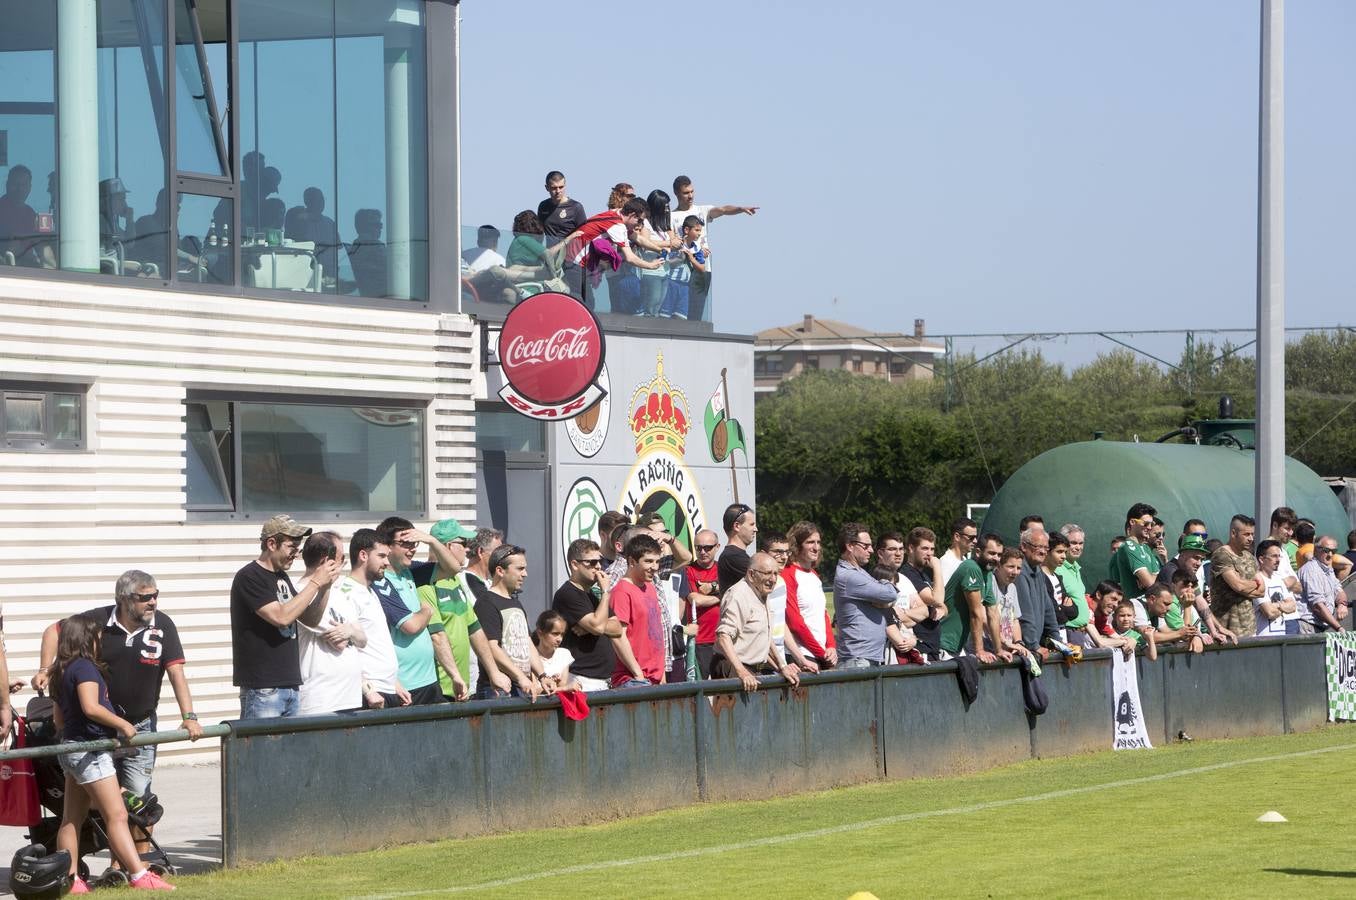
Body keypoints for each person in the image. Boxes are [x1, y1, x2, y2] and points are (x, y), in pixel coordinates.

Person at [33, 570, 203, 864]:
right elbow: (53, 631)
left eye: (155, 595)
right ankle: (122, 869)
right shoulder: (96, 621)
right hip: (98, 730)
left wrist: (189, 716)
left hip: (141, 726)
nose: (153, 602)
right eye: (144, 597)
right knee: (109, 806)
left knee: (139, 800)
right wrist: (44, 669)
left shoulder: (163, 625)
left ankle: (137, 866)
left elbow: (176, 673)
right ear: (123, 599)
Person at [51, 614, 175, 892]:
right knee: (117, 815)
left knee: (71, 818)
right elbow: (91, 707)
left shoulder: (60, 671)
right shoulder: (84, 667)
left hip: (71, 749)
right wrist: (122, 724)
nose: (101, 642)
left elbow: (58, 721)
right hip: (91, 751)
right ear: (86, 639)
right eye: (97, 637)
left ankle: (71, 880)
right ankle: (139, 875)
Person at [231, 515, 340, 718]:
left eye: (298, 548)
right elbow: (281, 617)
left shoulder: (282, 577)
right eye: (291, 547)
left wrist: (325, 587)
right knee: (263, 740)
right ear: (272, 544)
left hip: (290, 685)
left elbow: (310, 619)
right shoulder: (249, 576)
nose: (296, 554)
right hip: (264, 687)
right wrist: (315, 582)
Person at [372, 517, 465, 705]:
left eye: (414, 543)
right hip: (404, 685)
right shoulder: (380, 580)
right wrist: (427, 611)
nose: (412, 549)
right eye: (406, 544)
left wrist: (431, 541)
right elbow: (411, 626)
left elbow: (453, 568)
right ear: (387, 547)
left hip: (429, 680)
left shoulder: (410, 571)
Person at [416, 519, 508, 702]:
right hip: (440, 689)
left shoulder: (455, 580)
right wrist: (455, 676)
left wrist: (493, 672)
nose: (467, 549)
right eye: (463, 543)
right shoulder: (425, 584)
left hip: (464, 687)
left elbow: (474, 628)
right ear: (448, 546)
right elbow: (436, 636)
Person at [292, 532, 366, 714]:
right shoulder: (299, 593)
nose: (343, 565)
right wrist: (351, 632)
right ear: (327, 561)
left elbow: (363, 639)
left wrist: (350, 631)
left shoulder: (339, 594)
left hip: (350, 696)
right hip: (321, 699)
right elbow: (340, 643)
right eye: (342, 559)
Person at [668, 175, 758, 322]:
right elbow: (671, 243)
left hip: (701, 270)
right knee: (677, 317)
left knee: (695, 317)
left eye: (692, 191)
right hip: (679, 272)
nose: (690, 196)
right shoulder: (671, 216)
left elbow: (722, 210)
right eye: (686, 193)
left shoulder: (702, 210)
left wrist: (740, 209)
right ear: (677, 193)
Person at [713, 553, 803, 691]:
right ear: (751, 574)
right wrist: (741, 671)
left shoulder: (761, 593)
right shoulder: (739, 595)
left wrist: (782, 667)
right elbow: (723, 637)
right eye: (767, 573)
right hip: (734, 670)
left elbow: (764, 638)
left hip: (751, 671)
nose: (773, 579)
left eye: (775, 573)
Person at [341, 529, 410, 710]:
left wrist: (394, 684)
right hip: (369, 694)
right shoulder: (346, 593)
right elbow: (345, 651)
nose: (387, 562)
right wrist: (367, 690)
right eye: (381, 556)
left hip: (385, 689)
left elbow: (376, 643)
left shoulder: (370, 591)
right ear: (363, 555)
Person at [472, 545, 548, 698]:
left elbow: (527, 643)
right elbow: (491, 647)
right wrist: (520, 677)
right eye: (520, 569)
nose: (525, 574)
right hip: (497, 690)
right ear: (500, 571)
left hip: (522, 687)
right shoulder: (486, 602)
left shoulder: (516, 603)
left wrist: (542, 676)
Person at [552, 538, 620, 692]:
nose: (598, 567)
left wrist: (590, 627)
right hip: (581, 680)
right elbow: (597, 627)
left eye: (600, 561)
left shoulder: (592, 596)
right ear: (575, 565)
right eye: (592, 562)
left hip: (602, 681)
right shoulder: (567, 594)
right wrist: (606, 592)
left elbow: (617, 628)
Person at [834, 523, 900, 667]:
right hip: (857, 660)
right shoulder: (849, 576)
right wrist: (886, 581)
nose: (871, 550)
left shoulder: (859, 572)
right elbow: (889, 594)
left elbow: (887, 600)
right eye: (866, 546)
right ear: (850, 546)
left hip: (865, 658)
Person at [609, 534, 668, 687]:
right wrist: (638, 674)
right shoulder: (621, 591)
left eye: (657, 561)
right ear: (632, 562)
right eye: (648, 561)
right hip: (632, 679)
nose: (654, 567)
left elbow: (655, 631)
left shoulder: (650, 587)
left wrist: (661, 674)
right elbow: (617, 636)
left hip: (655, 678)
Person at [939, 534, 1003, 662]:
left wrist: (999, 650)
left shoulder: (988, 574)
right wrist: (979, 650)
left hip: (959, 647)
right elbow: (976, 613)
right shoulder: (971, 568)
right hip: (944, 643)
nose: (996, 558)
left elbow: (993, 613)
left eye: (999, 555)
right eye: (992, 553)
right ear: (978, 552)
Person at [782, 522, 837, 669]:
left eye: (818, 542)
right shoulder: (788, 574)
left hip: (822, 655)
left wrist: (831, 646)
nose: (816, 547)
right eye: (810, 542)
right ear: (797, 545)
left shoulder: (814, 574)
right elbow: (795, 622)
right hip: (802, 656)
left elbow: (823, 614)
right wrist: (821, 653)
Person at [1209, 514, 1266, 639]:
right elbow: (1238, 586)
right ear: (1233, 533)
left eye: (1252, 534)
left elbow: (1262, 591)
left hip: (1249, 629)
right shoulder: (1222, 555)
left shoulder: (1249, 557)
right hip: (1226, 631)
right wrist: (1254, 584)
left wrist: (1243, 586)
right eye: (1246, 534)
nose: (1251, 538)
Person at [537, 170, 587, 296]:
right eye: (554, 188)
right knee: (552, 296)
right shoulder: (543, 206)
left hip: (572, 262)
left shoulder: (576, 207)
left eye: (561, 187)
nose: (558, 191)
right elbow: (539, 234)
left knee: (578, 296)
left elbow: (585, 235)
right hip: (552, 261)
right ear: (547, 188)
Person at [680, 529, 723, 677]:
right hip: (700, 641)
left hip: (724, 639)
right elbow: (695, 600)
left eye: (708, 548)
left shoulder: (723, 569)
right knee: (701, 686)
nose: (703, 552)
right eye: (698, 548)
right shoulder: (689, 570)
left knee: (725, 686)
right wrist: (721, 597)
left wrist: (712, 588)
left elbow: (734, 590)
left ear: (717, 547)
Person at [898, 527, 945, 661]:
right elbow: (937, 599)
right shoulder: (907, 573)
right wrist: (937, 567)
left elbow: (944, 607)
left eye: (932, 549)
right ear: (911, 548)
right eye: (925, 548)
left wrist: (940, 608)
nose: (930, 554)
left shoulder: (923, 574)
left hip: (932, 647)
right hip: (920, 648)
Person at [1014, 527, 1061, 660]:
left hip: (1034, 647)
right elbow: (1025, 614)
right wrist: (1034, 645)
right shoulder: (1019, 572)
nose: (1043, 551)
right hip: (1023, 650)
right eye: (1038, 546)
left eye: (1046, 548)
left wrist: (1058, 643)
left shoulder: (1038, 571)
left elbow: (1048, 610)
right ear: (1024, 546)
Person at [1108, 502, 1161, 602]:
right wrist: (1151, 577)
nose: (1149, 527)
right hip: (1136, 606)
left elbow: (1158, 580)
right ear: (1132, 522)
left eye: (1151, 524)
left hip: (1150, 605)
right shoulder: (1128, 546)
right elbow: (1150, 583)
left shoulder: (1146, 548)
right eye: (1145, 524)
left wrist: (1151, 577)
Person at [284, 186, 340, 277]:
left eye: (322, 199)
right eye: (317, 199)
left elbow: (338, 247)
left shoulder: (330, 223)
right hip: (306, 273)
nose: (321, 202)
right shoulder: (299, 222)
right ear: (307, 201)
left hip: (330, 273)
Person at [658, 215, 707, 320]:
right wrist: (679, 259)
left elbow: (702, 268)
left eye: (700, 231)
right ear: (686, 230)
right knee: (664, 316)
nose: (699, 233)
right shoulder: (676, 244)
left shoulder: (696, 249)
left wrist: (692, 259)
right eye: (696, 230)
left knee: (680, 317)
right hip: (670, 283)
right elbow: (664, 262)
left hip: (685, 286)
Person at [0, 164, 49, 267]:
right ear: (7, 185)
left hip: (28, 268)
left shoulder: (31, 215)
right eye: (15, 184)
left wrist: (52, 266)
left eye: (24, 185)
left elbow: (43, 248)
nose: (20, 189)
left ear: (30, 188)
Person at [1299, 536, 1349, 634]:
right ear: (1316, 550)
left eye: (1333, 551)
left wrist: (1342, 604)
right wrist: (1338, 628)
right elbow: (1318, 606)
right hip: (1307, 627)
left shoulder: (1327, 569)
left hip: (1318, 627)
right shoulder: (1311, 570)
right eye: (1326, 550)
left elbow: (1339, 590)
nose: (1330, 554)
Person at [988, 548, 1027, 662]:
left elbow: (1014, 619)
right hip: (989, 650)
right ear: (999, 565)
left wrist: (1018, 642)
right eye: (1011, 567)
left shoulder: (1012, 588)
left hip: (1007, 651)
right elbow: (985, 618)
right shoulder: (990, 582)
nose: (1015, 572)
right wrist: (1004, 641)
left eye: (1018, 568)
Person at [1141, 581, 1203, 653]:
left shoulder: (1157, 612)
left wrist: (1195, 636)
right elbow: (1149, 637)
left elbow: (1170, 634)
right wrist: (1180, 634)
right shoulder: (1138, 607)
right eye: (1166, 604)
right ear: (1152, 599)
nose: (1169, 608)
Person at [1254, 539, 1299, 638]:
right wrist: (1283, 606)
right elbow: (1269, 612)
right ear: (1261, 559)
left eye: (1279, 556)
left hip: (1281, 638)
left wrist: (1277, 605)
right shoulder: (1257, 580)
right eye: (1274, 556)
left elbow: (1293, 606)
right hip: (1264, 639)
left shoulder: (1278, 579)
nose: (1278, 560)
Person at [718, 503, 758, 594]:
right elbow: (762, 579)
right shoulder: (732, 556)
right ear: (737, 526)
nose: (756, 529)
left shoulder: (734, 555)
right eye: (751, 524)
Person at [347, 208, 388, 297]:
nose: (380, 228)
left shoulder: (355, 247)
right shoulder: (373, 246)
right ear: (364, 226)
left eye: (380, 225)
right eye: (377, 225)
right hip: (379, 295)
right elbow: (392, 268)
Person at [533, 610, 577, 692]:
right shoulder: (532, 656)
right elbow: (534, 690)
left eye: (562, 634)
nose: (559, 639)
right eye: (555, 634)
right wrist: (564, 688)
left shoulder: (564, 654)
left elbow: (562, 684)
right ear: (540, 633)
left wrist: (557, 683)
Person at [937, 517, 978, 589]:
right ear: (957, 537)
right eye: (971, 537)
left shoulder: (964, 560)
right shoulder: (946, 562)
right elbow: (943, 593)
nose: (975, 541)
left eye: (976, 537)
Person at [463, 527, 504, 594]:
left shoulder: (491, 585)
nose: (502, 557)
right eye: (497, 552)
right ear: (480, 552)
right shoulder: (463, 582)